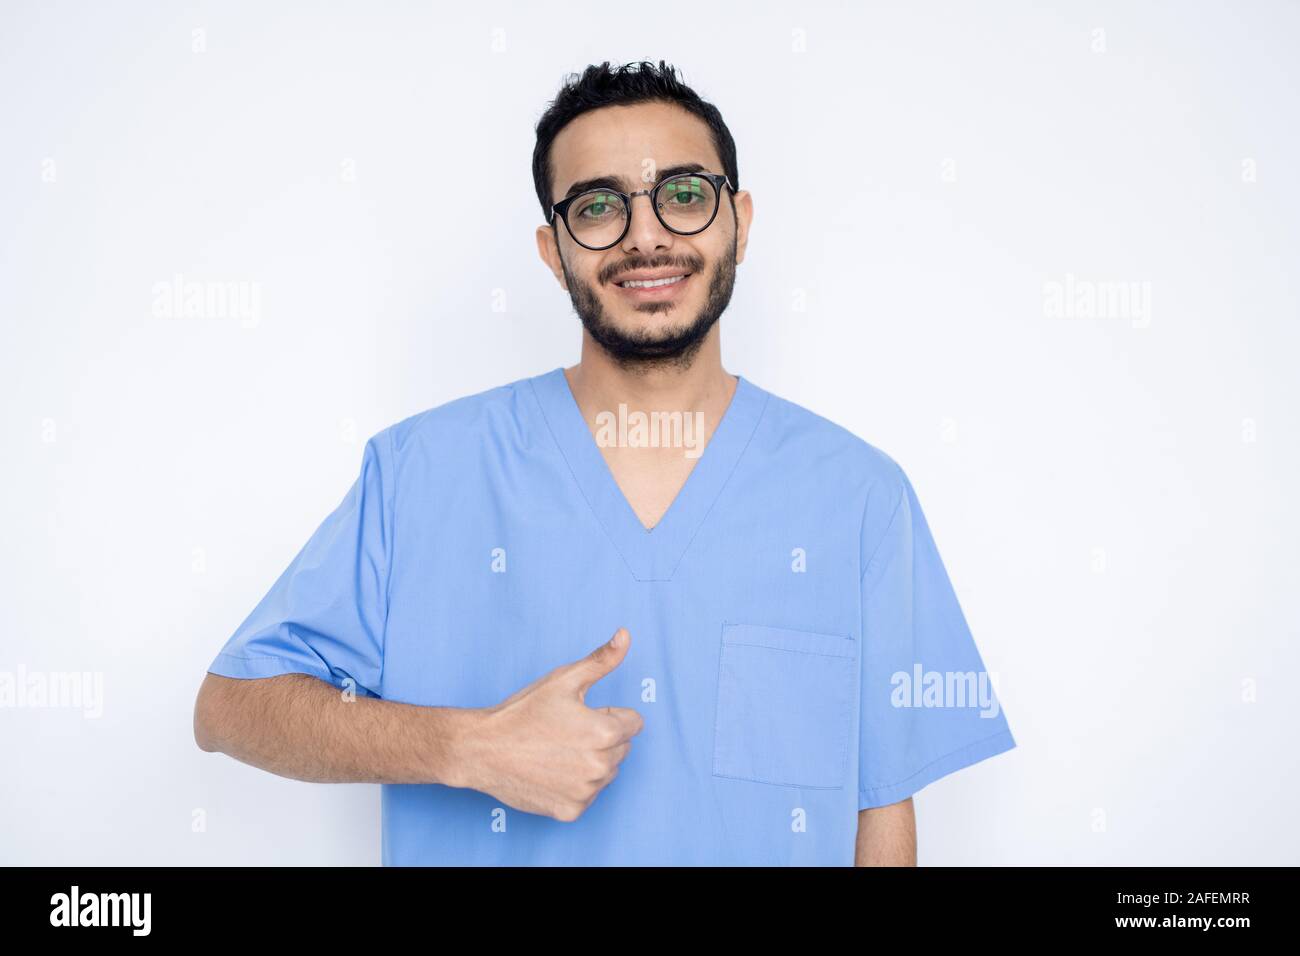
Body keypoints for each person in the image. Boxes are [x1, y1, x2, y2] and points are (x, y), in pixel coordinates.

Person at [193, 60, 1016, 866]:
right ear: (554, 252)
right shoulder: (421, 473)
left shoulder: (858, 496)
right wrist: (467, 748)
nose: (647, 236)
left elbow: (883, 809)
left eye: (686, 196)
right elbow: (230, 707)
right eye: (598, 208)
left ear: (741, 221)